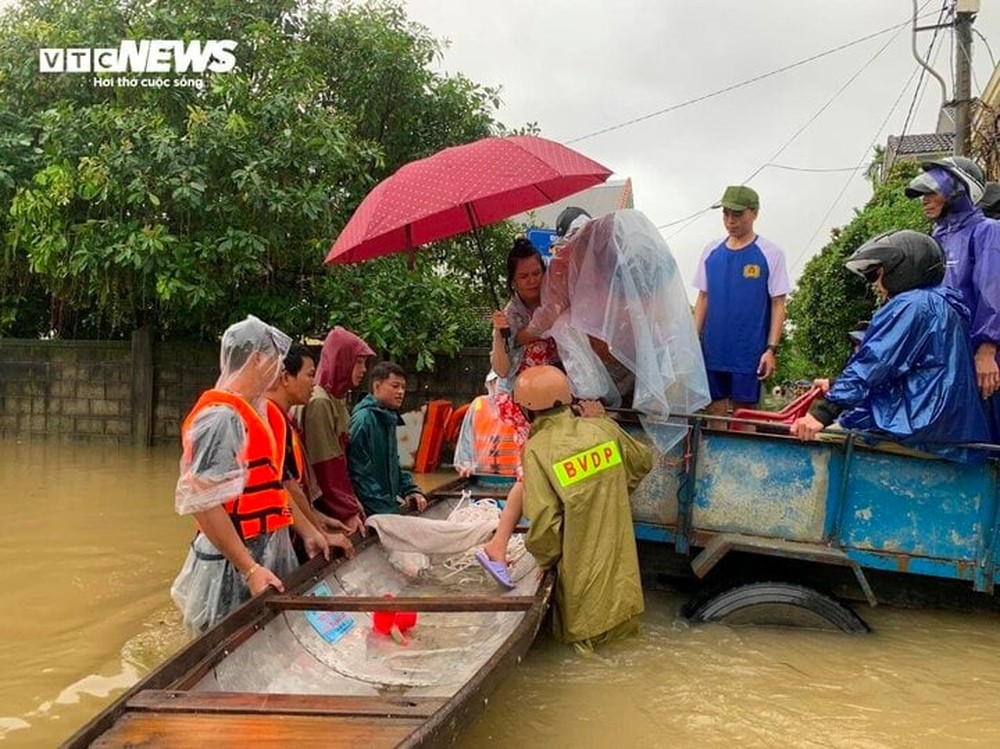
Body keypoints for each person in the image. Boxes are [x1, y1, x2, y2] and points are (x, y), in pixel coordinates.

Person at [789, 230, 990, 462]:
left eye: (876, 274)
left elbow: (874, 362)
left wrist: (823, 412)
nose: (874, 284)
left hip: (916, 422)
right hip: (942, 422)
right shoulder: (942, 302)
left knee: (822, 443)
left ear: (902, 268)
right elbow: (910, 371)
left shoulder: (910, 305)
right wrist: (836, 386)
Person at [170, 316, 299, 635]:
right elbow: (203, 502)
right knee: (220, 642)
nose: (278, 371)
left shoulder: (258, 412)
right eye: (274, 361)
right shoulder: (221, 419)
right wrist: (249, 568)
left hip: (262, 552)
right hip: (231, 567)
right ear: (256, 358)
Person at [514, 365, 654, 648]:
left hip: (584, 604)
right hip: (625, 596)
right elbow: (642, 462)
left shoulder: (537, 448)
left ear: (527, 410)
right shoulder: (602, 430)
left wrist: (542, 562)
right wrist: (610, 490)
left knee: (584, 661)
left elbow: (544, 524)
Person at [479, 238, 562, 586]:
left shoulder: (555, 299)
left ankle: (544, 541)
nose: (532, 280)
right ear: (512, 280)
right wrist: (501, 335)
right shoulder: (509, 315)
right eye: (523, 276)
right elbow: (500, 369)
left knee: (551, 466)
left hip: (554, 399)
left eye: (536, 272)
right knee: (531, 470)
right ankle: (497, 545)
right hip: (523, 402)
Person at [904, 157, 1000, 440]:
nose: (925, 200)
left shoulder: (987, 231)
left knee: (985, 446)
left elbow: (992, 291)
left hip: (981, 362)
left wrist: (987, 351)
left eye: (933, 192)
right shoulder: (936, 238)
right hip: (946, 362)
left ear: (959, 190)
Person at [693, 185, 790, 417]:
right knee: (713, 412)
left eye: (737, 214)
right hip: (713, 349)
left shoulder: (770, 253)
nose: (730, 221)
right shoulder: (711, 251)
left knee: (744, 416)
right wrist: (692, 341)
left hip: (748, 353)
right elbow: (703, 297)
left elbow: (778, 304)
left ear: (754, 213)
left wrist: (771, 349)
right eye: (725, 214)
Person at [265, 344, 355, 561]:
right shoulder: (271, 421)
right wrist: (317, 532)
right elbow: (287, 485)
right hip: (271, 538)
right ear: (286, 378)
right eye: (309, 375)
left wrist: (317, 517)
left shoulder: (283, 420)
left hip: (285, 530)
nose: (314, 383)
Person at [297, 327, 373, 537]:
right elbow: (325, 466)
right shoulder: (320, 402)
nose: (364, 369)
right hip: (320, 508)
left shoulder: (335, 399)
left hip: (324, 504)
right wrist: (347, 510)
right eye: (358, 362)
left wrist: (351, 502)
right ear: (342, 360)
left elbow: (339, 463)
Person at [348, 361, 428, 516]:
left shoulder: (388, 418)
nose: (401, 392)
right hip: (372, 510)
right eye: (395, 386)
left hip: (385, 506)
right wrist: (386, 510)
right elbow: (359, 475)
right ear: (377, 387)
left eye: (403, 387)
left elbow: (393, 465)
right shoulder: (364, 420)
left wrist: (410, 490)